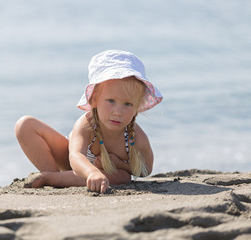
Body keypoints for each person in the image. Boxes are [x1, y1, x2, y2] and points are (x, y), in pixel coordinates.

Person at [15, 50, 163, 193]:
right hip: (72, 163)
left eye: (128, 104)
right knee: (25, 125)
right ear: (94, 99)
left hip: (102, 175)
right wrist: (92, 172)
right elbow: (75, 156)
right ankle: (53, 176)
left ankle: (52, 179)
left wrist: (118, 164)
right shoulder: (87, 124)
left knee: (123, 177)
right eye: (111, 101)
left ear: (137, 107)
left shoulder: (134, 136)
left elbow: (146, 170)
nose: (118, 112)